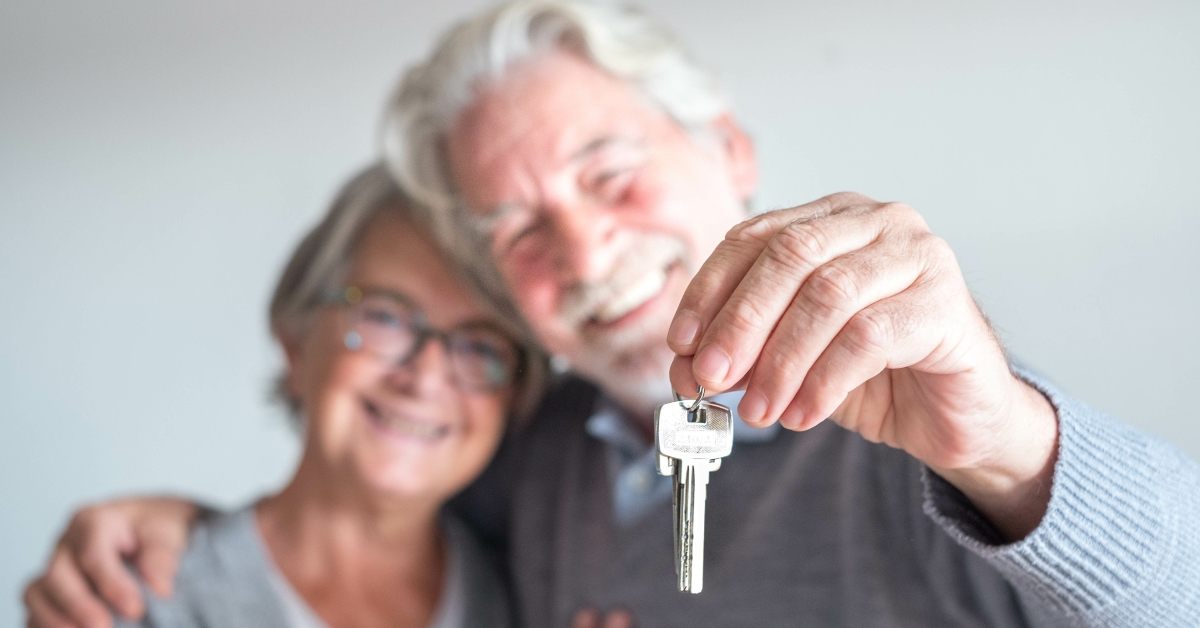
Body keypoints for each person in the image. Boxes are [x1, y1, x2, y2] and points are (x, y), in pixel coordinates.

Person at [25, 2, 1200, 627]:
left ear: (727, 150)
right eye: (517, 231)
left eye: (608, 170)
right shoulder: (529, 461)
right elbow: (353, 542)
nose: (584, 249)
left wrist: (1009, 441)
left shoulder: (938, 425)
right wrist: (184, 528)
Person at [24, 163, 548, 628]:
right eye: (385, 316)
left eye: (481, 346)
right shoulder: (135, 598)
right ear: (296, 342)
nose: (426, 375)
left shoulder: (537, 596)